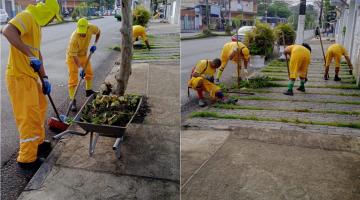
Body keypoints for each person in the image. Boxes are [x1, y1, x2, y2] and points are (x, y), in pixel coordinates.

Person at [1, 0, 61, 168]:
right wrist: (29, 55)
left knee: (40, 107)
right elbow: (7, 30)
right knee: (28, 116)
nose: (52, 20)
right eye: (53, 17)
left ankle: (38, 143)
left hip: (29, 76)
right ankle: (26, 158)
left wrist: (44, 78)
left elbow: (37, 54)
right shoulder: (27, 16)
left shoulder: (36, 25)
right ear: (47, 12)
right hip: (19, 77)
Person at [66, 17, 100, 111]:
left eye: (83, 31)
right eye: (80, 31)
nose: (81, 33)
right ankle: (72, 100)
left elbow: (98, 32)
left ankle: (88, 91)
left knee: (89, 72)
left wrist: (95, 44)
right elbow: (74, 56)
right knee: (73, 79)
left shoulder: (91, 28)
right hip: (72, 57)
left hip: (83, 55)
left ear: (87, 27)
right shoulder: (74, 38)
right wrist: (81, 68)